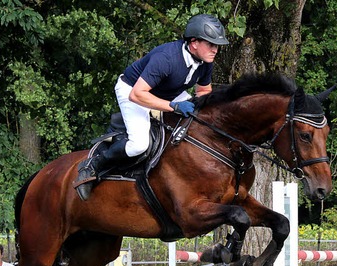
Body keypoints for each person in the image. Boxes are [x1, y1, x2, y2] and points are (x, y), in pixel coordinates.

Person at [74, 14, 229, 200]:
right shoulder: (167, 59)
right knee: (139, 145)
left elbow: (203, 91)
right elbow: (137, 94)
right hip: (133, 90)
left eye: (217, 45)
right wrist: (173, 106)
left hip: (168, 91)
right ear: (194, 42)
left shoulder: (204, 61)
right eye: (211, 44)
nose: (215, 50)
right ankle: (93, 165)